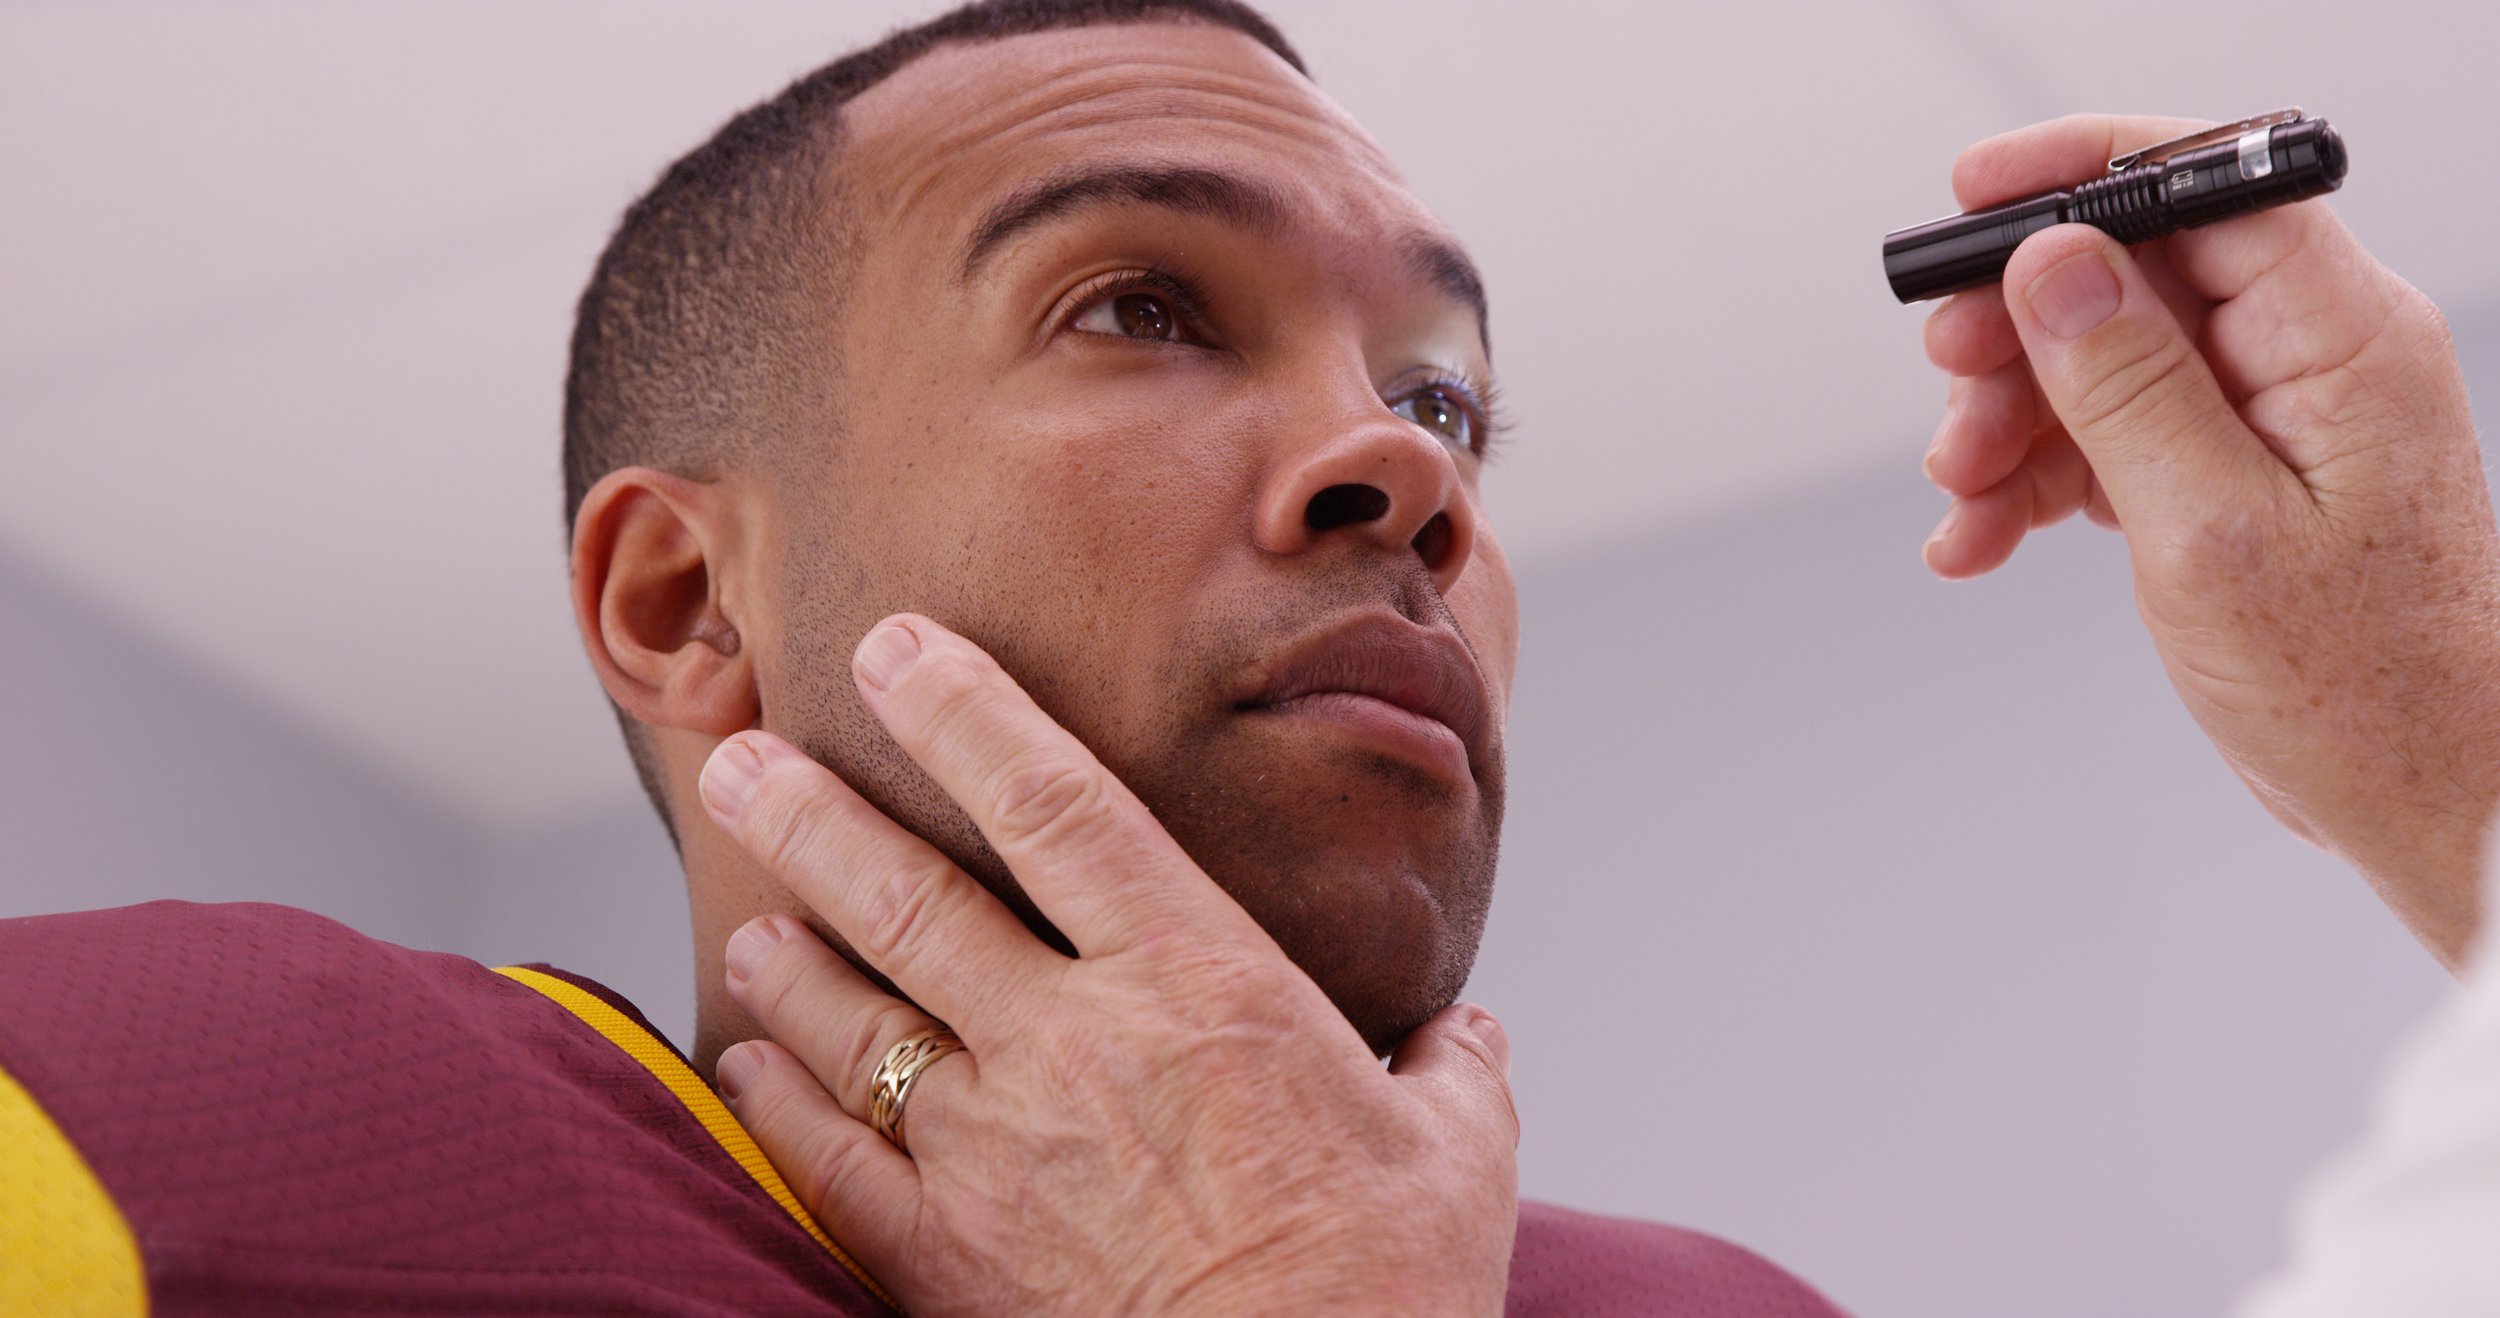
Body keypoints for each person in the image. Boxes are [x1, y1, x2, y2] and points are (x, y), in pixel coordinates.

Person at [1, 0, 2489, 1313]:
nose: (1403, 472)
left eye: (1443, 398)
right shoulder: (153, 1127)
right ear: (678, 602)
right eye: (1139, 305)